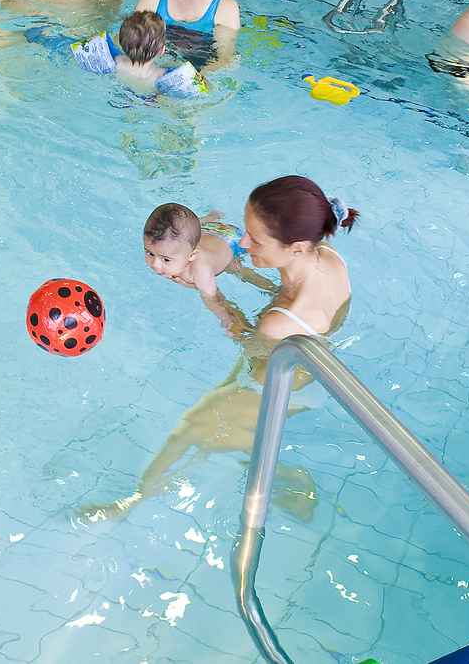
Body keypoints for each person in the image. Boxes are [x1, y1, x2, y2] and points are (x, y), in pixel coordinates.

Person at [83, 177, 356, 521]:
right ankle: (282, 477)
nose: (242, 242)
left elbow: (252, 345)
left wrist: (224, 310)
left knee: (191, 430)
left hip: (272, 387)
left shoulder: (279, 321)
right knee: (217, 434)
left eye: (255, 239)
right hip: (303, 370)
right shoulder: (329, 259)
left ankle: (129, 505)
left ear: (296, 247)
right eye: (246, 229)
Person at [143, 202, 274, 330]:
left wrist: (225, 318)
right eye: (149, 253)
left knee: (237, 270)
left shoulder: (201, 270)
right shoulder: (175, 248)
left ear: (192, 256)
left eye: (165, 259)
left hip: (231, 241)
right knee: (185, 232)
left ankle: (273, 289)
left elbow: (214, 298)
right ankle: (210, 218)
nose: (155, 264)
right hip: (209, 230)